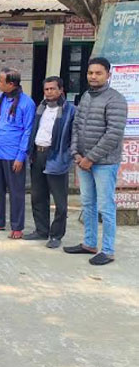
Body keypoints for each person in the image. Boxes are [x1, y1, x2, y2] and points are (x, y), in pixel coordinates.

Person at [64, 57, 128, 265]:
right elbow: (76, 126)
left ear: (108, 75)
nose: (93, 76)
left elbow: (113, 134)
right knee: (87, 203)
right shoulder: (86, 96)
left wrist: (90, 158)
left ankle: (107, 250)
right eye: (90, 72)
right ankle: (89, 243)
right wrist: (76, 153)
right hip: (82, 161)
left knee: (106, 206)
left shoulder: (115, 99)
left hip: (104, 163)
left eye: (98, 73)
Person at [23, 77, 76, 249]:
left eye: (53, 89)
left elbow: (74, 136)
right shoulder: (41, 108)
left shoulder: (70, 110)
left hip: (56, 156)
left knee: (59, 201)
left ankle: (56, 235)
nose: (49, 92)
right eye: (46, 89)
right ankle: (41, 230)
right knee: (38, 196)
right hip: (38, 154)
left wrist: (67, 155)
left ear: (61, 90)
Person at [0, 68, 36, 239]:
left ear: (11, 84)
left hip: (13, 155)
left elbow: (28, 131)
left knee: (16, 191)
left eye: (1, 81)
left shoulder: (27, 103)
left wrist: (21, 157)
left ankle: (17, 226)